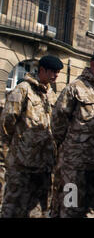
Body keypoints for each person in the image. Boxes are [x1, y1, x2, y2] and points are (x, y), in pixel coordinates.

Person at [51, 50, 94, 217]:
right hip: (74, 165)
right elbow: (58, 123)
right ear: (93, 65)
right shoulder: (74, 89)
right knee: (69, 206)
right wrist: (68, 150)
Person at [0, 55, 63, 217]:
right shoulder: (23, 90)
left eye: (58, 72)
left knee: (37, 211)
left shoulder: (51, 94)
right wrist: (9, 153)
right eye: (53, 72)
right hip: (22, 163)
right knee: (13, 208)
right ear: (42, 70)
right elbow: (7, 122)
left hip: (44, 165)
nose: (56, 75)